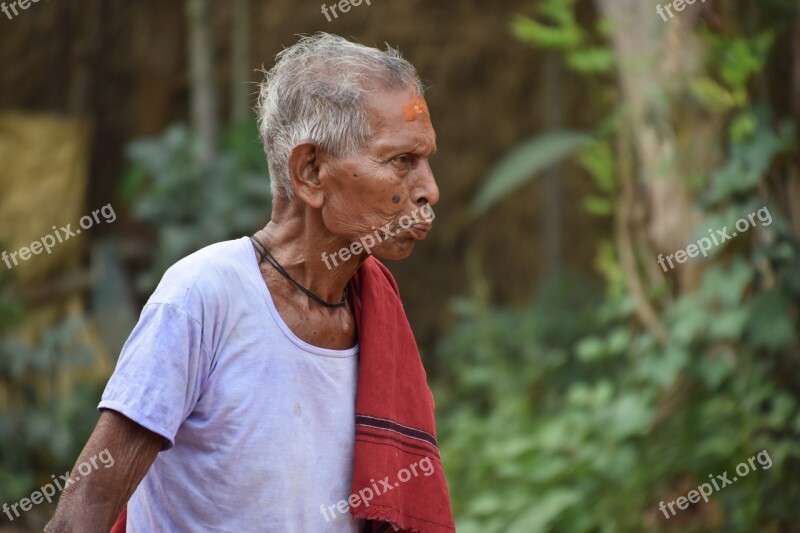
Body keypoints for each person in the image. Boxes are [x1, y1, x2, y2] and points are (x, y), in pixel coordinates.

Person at [45, 33, 454, 532]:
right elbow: (88, 500)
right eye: (401, 162)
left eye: (426, 160)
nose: (429, 190)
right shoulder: (204, 296)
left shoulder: (371, 312)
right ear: (311, 171)